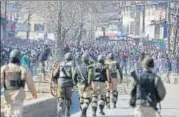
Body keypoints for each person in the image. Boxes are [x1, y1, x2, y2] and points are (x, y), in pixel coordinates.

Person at [1, 49, 37, 117]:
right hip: (18, 98)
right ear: (19, 58)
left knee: (8, 114)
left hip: (7, 98)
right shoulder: (23, 69)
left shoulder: (4, 68)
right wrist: (34, 93)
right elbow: (30, 83)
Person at [52, 52, 75, 117]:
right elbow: (73, 74)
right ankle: (67, 113)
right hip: (69, 84)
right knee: (68, 99)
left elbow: (55, 74)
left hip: (61, 83)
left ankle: (60, 109)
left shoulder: (61, 64)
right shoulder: (72, 64)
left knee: (60, 98)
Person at [74, 53, 93, 117]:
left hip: (79, 85)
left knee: (81, 99)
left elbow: (74, 77)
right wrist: (89, 83)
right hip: (86, 85)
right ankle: (84, 111)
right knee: (87, 99)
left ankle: (83, 112)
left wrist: (76, 83)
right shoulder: (89, 67)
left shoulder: (78, 67)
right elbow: (90, 76)